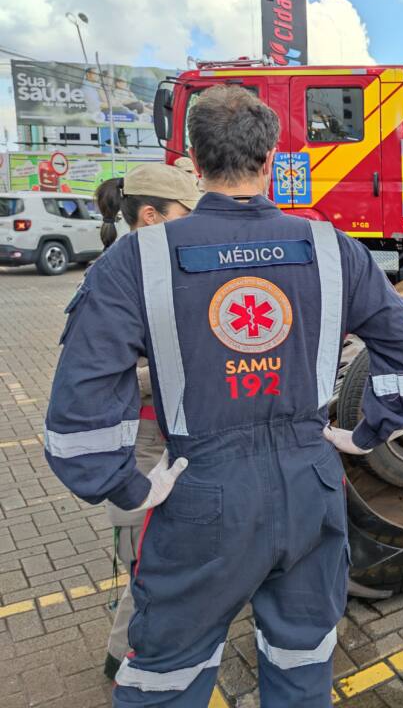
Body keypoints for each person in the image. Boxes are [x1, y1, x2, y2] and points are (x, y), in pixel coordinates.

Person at [43, 85, 403, 707]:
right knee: (303, 665)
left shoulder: (134, 263)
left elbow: (81, 405)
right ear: (273, 156)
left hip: (200, 495)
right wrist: (365, 433)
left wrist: (128, 486)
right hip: (312, 486)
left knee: (165, 680)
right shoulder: (335, 250)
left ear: (193, 165)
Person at [92, 164, 201, 680]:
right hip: (142, 441)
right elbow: (104, 374)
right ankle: (127, 665)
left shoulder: (158, 264)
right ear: (151, 215)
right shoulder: (117, 276)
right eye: (185, 215)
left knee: (163, 559)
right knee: (147, 566)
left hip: (167, 435)